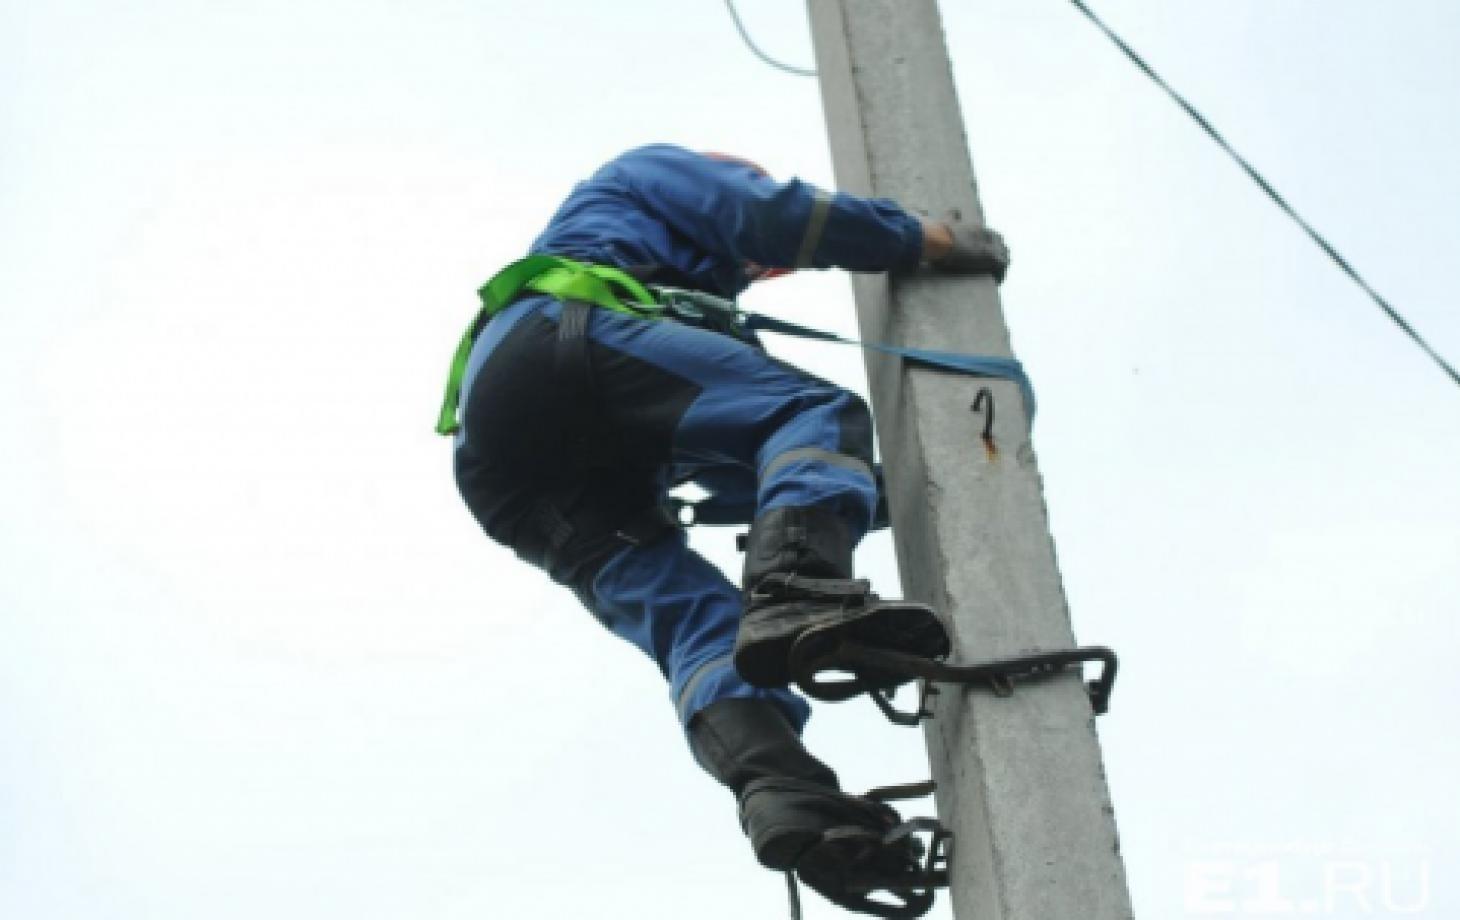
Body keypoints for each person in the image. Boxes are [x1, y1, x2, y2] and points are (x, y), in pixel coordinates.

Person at [442, 144, 1008, 915]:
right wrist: (925, 240)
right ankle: (800, 592)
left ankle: (785, 793)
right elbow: (769, 214)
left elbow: (759, 477)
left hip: (510, 472)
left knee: (697, 624)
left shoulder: (686, 322)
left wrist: (904, 491)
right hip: (557, 340)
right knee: (815, 412)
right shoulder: (643, 178)